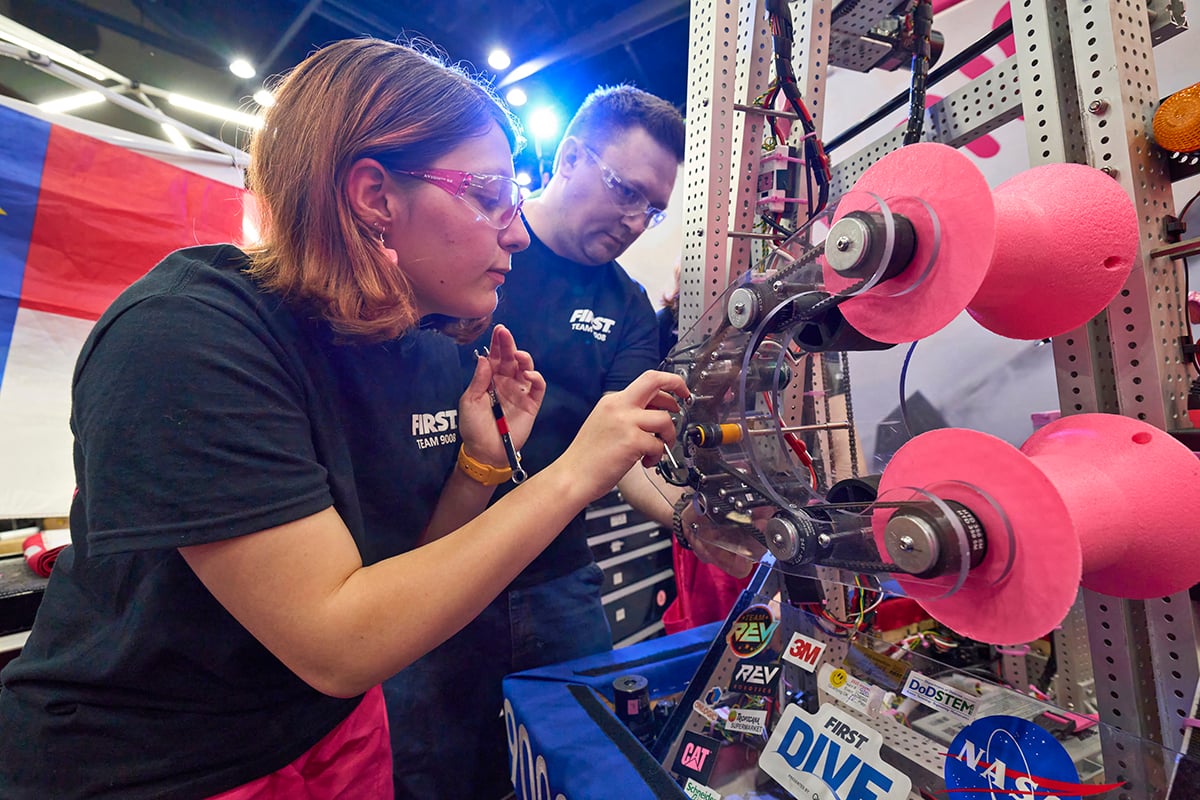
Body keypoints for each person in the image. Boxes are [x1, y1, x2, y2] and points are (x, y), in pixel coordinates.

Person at [0, 39, 687, 800]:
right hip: (157, 766)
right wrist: (571, 474)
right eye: (489, 196)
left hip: (325, 737)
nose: (516, 233)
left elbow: (403, 573)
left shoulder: (425, 347)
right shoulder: (186, 336)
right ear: (373, 195)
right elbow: (338, 640)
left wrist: (480, 468)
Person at [385, 83, 748, 799]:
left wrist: (693, 521)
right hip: (428, 571)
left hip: (556, 579)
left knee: (585, 766)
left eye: (653, 208)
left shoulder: (625, 304)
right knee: (437, 773)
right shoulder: (458, 261)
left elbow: (622, 455)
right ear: (571, 157)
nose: (637, 219)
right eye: (626, 191)